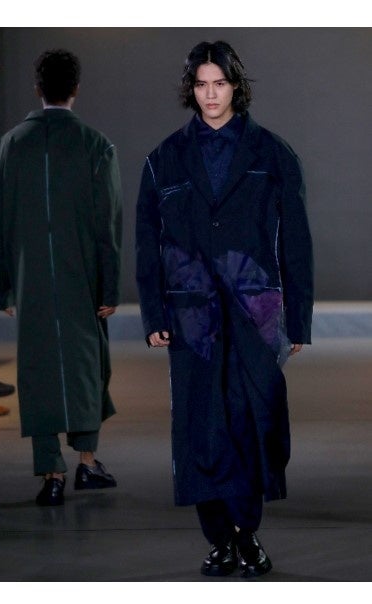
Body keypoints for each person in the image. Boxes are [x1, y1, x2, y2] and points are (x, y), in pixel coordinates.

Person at [135, 41, 312, 578]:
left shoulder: (273, 154)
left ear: (236, 86)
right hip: (193, 316)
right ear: (191, 89)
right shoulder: (164, 158)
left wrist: (298, 319)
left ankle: (247, 531)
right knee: (202, 425)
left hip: (257, 312)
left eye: (220, 83)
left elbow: (296, 241)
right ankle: (221, 538)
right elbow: (147, 242)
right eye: (201, 84)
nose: (211, 95)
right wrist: (154, 314)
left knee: (252, 420)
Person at [0, 49, 121, 507]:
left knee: (38, 367)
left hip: (31, 280)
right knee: (88, 365)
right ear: (76, 88)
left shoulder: (6, 148)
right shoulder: (96, 146)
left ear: (37, 88)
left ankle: (51, 472)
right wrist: (109, 286)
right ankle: (87, 461)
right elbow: (107, 224)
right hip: (82, 276)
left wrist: (1, 286)